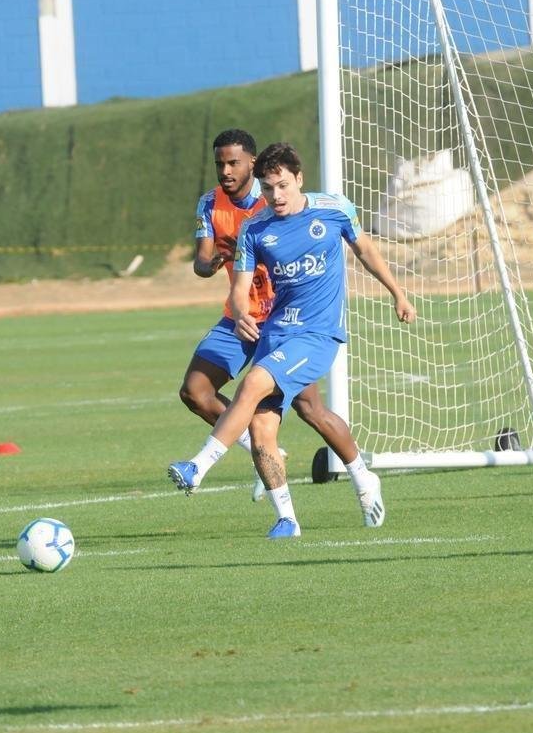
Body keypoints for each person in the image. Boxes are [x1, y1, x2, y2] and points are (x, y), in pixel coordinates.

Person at [169, 141, 416, 538]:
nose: (276, 196)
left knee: (254, 383)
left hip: (317, 333)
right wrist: (242, 311)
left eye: (282, 186)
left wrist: (398, 293)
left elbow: (365, 249)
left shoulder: (332, 209)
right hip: (277, 330)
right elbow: (240, 285)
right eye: (268, 189)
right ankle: (290, 518)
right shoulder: (256, 228)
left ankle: (198, 466)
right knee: (266, 429)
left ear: (299, 180)